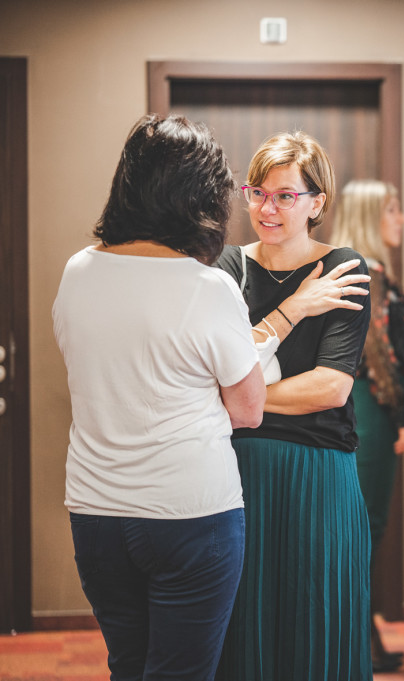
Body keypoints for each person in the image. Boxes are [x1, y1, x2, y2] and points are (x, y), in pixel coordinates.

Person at [52, 113, 266, 681]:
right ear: (200, 197)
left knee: (129, 665)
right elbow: (248, 410)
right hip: (189, 514)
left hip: (96, 512)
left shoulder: (78, 271)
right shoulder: (207, 286)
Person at [214, 131, 374, 681]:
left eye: (285, 195)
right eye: (256, 192)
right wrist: (297, 308)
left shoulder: (345, 268)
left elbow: (331, 389)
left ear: (317, 203)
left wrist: (244, 397)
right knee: (243, 626)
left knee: (315, 620)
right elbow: (214, 375)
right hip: (240, 474)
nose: (266, 207)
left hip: (319, 473)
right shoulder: (227, 267)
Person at [331, 179, 404, 673]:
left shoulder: (352, 270)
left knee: (359, 530)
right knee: (366, 528)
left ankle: (362, 636)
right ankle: (357, 643)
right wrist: (402, 417)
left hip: (361, 407)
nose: (400, 218)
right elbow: (381, 356)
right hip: (372, 409)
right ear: (371, 215)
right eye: (392, 209)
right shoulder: (369, 273)